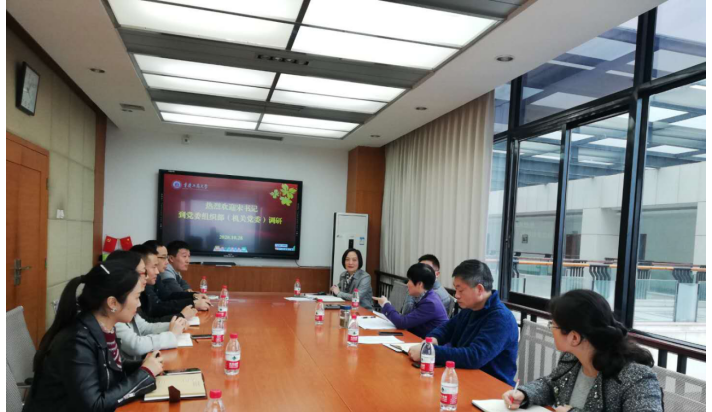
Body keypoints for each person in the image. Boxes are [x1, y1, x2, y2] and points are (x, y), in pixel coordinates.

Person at [23, 261, 163, 412]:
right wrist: (145, 374)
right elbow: (94, 406)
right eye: (136, 297)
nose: (139, 304)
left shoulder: (101, 327)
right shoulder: (77, 341)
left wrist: (144, 365)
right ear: (112, 303)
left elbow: (111, 367)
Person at [502, 290, 663, 412]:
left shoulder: (637, 379)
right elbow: (552, 385)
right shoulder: (572, 358)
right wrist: (525, 394)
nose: (550, 329)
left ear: (574, 337)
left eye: (553, 325)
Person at [408, 259, 518, 386]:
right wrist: (433, 339)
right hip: (464, 376)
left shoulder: (501, 319)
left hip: (491, 386)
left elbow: (474, 356)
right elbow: (448, 328)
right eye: (456, 290)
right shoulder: (472, 308)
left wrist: (431, 352)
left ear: (479, 289)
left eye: (460, 290)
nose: (457, 295)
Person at [107, 249, 190, 362]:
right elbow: (135, 345)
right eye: (143, 272)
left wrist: (175, 325)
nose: (155, 273)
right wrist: (171, 335)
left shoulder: (127, 297)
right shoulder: (114, 306)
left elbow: (144, 327)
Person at [373, 263, 449, 338]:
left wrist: (385, 304)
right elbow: (407, 320)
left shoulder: (430, 303)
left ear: (420, 284)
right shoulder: (425, 296)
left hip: (431, 344)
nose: (407, 284)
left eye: (409, 280)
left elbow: (402, 323)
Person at [130, 245, 199, 322]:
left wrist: (194, 295)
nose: (167, 262)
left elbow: (168, 295)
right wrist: (185, 311)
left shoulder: (155, 277)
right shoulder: (141, 285)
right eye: (163, 257)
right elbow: (154, 311)